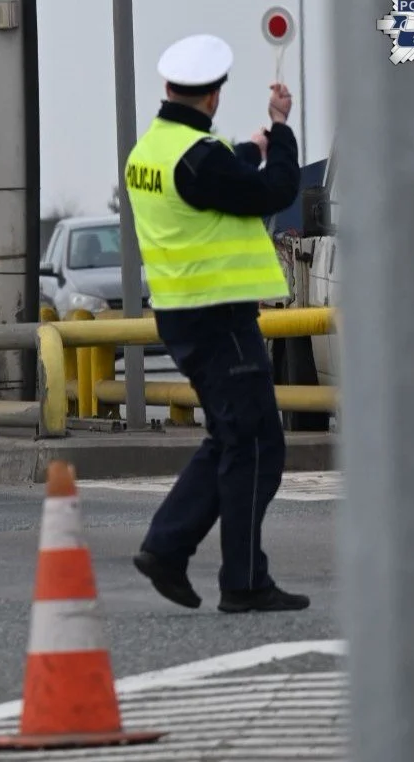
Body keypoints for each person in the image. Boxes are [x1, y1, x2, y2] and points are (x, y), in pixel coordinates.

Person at [125, 33, 309, 614]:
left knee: (231, 437)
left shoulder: (152, 151)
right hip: (221, 320)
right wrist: (281, 132)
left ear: (170, 89)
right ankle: (244, 581)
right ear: (213, 98)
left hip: (183, 318)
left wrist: (250, 148)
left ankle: (168, 547)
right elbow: (272, 190)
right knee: (258, 444)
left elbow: (213, 180)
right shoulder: (199, 158)